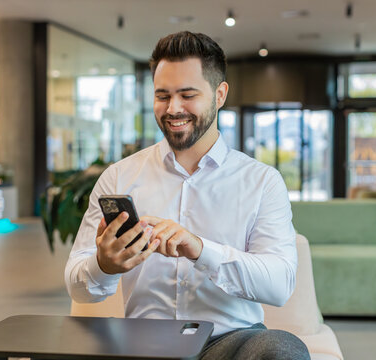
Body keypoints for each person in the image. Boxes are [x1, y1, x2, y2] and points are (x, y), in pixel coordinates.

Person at [65, 31, 310, 360]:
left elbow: (279, 285)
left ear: (220, 95)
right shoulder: (119, 177)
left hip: (229, 342)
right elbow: (77, 286)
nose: (173, 108)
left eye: (187, 95)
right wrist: (104, 266)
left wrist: (200, 249)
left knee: (283, 350)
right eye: (162, 95)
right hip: (142, 342)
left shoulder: (262, 181)